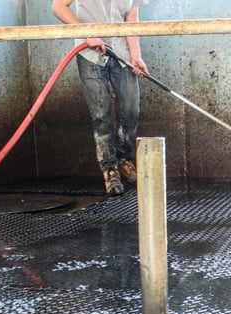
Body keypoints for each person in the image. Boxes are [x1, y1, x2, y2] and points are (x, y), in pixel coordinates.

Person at [52, 0, 150, 195]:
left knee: (131, 109)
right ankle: (109, 168)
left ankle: (125, 159)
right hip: (90, 53)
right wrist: (87, 33)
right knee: (101, 113)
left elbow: (131, 17)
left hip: (121, 52)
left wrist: (136, 55)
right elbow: (58, 7)